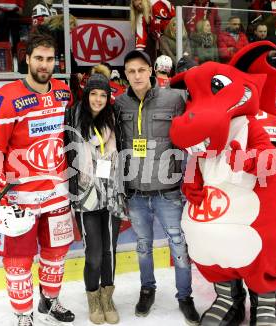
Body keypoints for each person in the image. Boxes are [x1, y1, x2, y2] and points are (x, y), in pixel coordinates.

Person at [0, 29, 75, 326]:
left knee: (56, 254)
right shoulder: (6, 98)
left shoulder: (63, 92)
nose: (45, 65)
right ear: (28, 59)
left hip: (57, 190)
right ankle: (23, 315)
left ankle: (51, 299)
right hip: (20, 197)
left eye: (50, 59)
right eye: (39, 59)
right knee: (18, 262)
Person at [114, 49, 200, 325]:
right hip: (136, 192)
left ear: (151, 70)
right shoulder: (119, 104)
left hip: (168, 192)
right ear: (125, 75)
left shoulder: (174, 99)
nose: (136, 75)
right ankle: (147, 289)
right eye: (131, 71)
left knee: (179, 246)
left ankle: (185, 297)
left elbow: (196, 126)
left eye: (141, 69)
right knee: (142, 246)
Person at [65, 73, 126, 325]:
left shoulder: (114, 119)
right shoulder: (74, 117)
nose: (98, 99)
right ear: (86, 95)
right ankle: (93, 297)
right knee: (94, 254)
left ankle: (107, 297)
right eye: (94, 94)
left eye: (103, 95)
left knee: (110, 251)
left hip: (111, 192)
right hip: (85, 194)